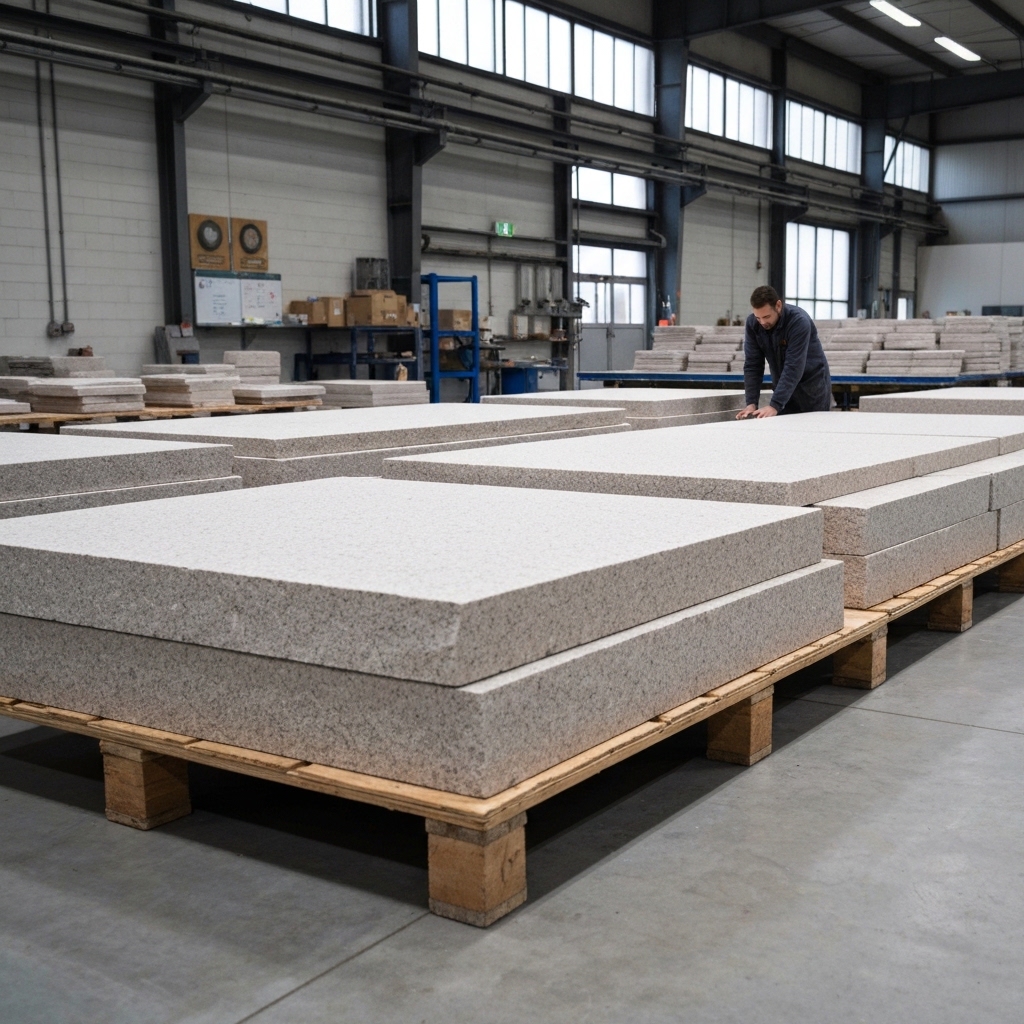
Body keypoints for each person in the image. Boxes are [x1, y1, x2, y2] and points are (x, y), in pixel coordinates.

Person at [736, 285, 832, 419]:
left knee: (812, 427)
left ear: (778, 306)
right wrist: (751, 403)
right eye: (758, 317)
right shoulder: (753, 324)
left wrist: (775, 404)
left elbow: (794, 366)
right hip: (784, 389)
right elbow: (753, 365)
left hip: (812, 390)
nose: (762, 322)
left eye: (767, 316)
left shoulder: (798, 321)